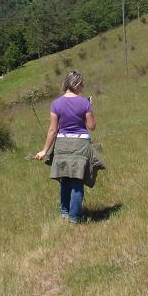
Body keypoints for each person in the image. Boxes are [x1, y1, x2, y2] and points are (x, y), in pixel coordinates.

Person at [34, 71, 99, 223]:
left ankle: (64, 213)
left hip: (62, 144)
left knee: (64, 180)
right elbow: (92, 126)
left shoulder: (56, 103)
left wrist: (45, 150)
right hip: (80, 145)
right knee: (77, 182)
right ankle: (74, 219)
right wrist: (89, 108)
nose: (82, 87)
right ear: (75, 84)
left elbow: (52, 130)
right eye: (81, 84)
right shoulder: (84, 103)